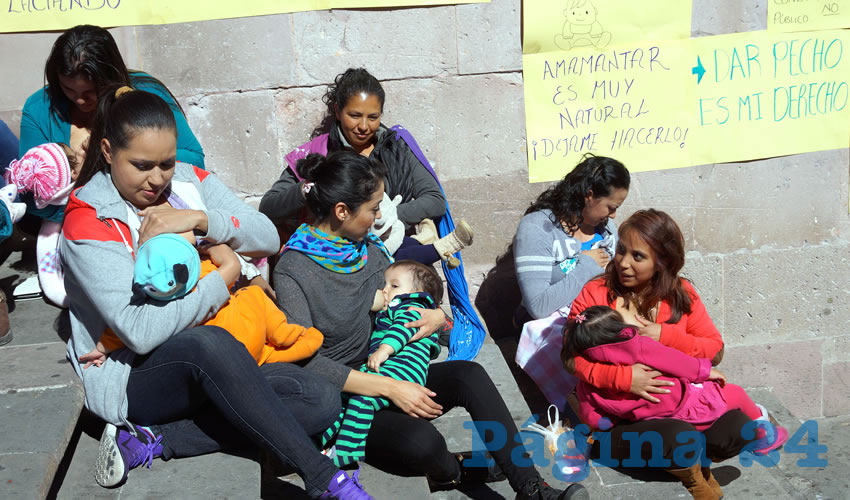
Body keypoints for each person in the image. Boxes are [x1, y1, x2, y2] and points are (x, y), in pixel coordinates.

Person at [61, 85, 372, 499]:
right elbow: (138, 331)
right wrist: (223, 277)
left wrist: (202, 219)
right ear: (106, 151)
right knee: (208, 343)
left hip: (222, 355)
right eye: (142, 165)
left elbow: (266, 237)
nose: (157, 179)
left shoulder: (190, 183)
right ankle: (322, 478)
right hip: (135, 373)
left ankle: (159, 440)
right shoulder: (88, 218)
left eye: (166, 164)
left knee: (319, 399)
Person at [275, 151, 588, 500]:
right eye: (373, 208)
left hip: (392, 364)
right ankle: (455, 471)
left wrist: (435, 316)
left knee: (468, 375)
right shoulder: (293, 270)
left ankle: (532, 488)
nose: (380, 217)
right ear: (342, 211)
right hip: (346, 396)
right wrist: (388, 388)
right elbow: (305, 362)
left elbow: (404, 299)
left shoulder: (368, 248)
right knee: (422, 444)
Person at [564, 209, 778, 500]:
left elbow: (715, 350)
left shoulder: (681, 293)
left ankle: (685, 459)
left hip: (682, 404)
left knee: (739, 429)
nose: (623, 263)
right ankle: (682, 461)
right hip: (624, 420)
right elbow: (569, 357)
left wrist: (664, 336)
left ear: (662, 262)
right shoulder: (596, 293)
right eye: (622, 251)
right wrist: (624, 379)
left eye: (637, 257)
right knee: (678, 438)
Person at [260, 67, 472, 267]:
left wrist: (381, 220)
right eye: (354, 115)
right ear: (337, 110)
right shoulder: (317, 153)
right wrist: (307, 189)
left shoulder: (396, 148)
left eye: (373, 117)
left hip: (395, 256)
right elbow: (269, 207)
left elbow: (435, 200)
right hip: (336, 262)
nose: (363, 126)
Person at [20, 24, 205, 226]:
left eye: (90, 91)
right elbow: (30, 193)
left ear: (111, 78)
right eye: (68, 89)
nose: (80, 101)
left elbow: (194, 160)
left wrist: (106, 160)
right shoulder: (39, 108)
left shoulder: (145, 92)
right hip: (77, 224)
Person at [78, 232, 324, 368]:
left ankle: (296, 341)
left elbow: (121, 331)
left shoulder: (154, 304)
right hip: (249, 334)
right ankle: (289, 334)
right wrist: (215, 252)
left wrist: (101, 348)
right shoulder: (207, 271)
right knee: (252, 296)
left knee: (269, 356)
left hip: (230, 359)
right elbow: (234, 266)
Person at [513, 154, 629, 409]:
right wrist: (585, 266)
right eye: (610, 206)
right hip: (556, 328)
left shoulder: (606, 232)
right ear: (589, 194)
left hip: (602, 317)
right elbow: (538, 306)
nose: (613, 215)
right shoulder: (538, 228)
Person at [319, 259, 443, 467]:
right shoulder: (396, 307)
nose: (385, 291)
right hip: (393, 368)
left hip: (403, 369)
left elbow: (404, 329)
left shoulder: (413, 306)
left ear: (419, 291)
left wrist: (384, 351)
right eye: (384, 285)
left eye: (394, 286)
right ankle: (318, 442)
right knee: (343, 399)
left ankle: (346, 453)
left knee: (362, 400)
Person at [5, 142, 81, 307]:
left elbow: (50, 273)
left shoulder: (49, 218)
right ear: (74, 173)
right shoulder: (80, 207)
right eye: (75, 155)